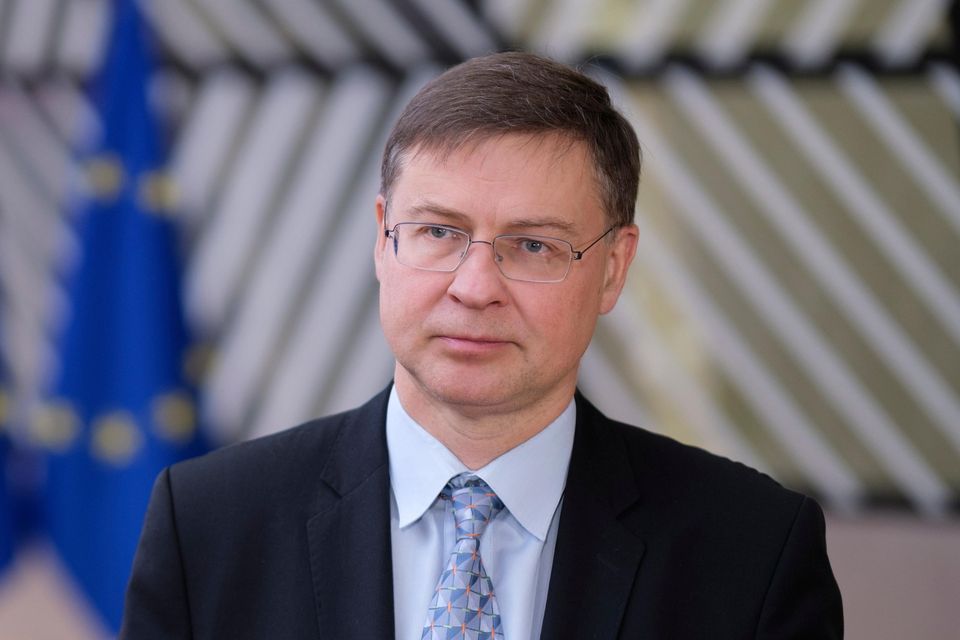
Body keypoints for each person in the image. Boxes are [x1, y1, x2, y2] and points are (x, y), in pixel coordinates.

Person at [120, 51, 842, 639]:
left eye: (533, 245)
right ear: (381, 238)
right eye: (438, 232)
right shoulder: (210, 526)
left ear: (614, 269)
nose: (474, 287)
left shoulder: (752, 553)